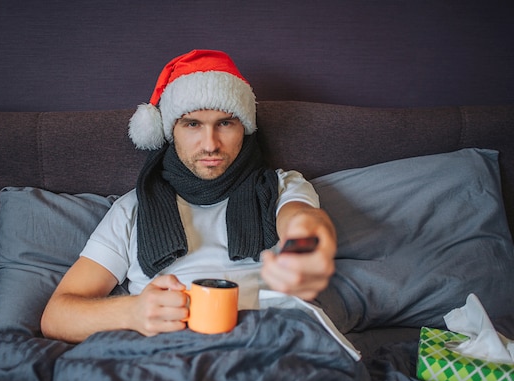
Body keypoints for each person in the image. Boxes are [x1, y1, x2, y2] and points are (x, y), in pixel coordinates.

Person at [41, 50, 337, 343]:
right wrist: (132, 312)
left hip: (268, 343)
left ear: (244, 129)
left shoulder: (281, 186)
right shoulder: (133, 208)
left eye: (225, 123)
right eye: (192, 124)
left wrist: (304, 248)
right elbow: (57, 317)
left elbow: (302, 220)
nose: (210, 145)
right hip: (170, 352)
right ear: (170, 131)